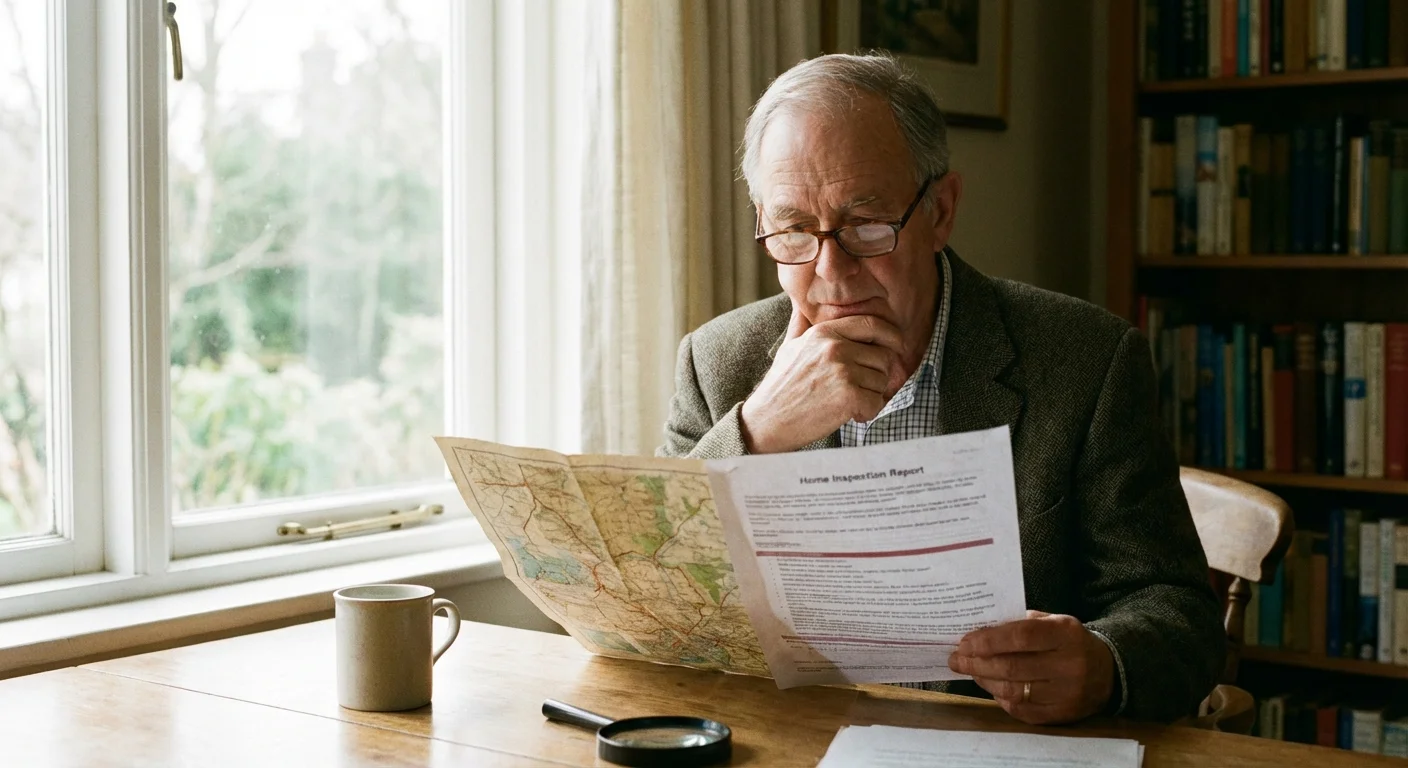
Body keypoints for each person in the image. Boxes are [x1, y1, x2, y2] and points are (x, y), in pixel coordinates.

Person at [656, 53, 1225, 725]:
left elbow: (1178, 613)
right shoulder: (718, 362)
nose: (831, 273)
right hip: (792, 741)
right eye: (795, 230)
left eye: (866, 224)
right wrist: (755, 433)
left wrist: (1101, 664)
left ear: (941, 210)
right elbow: (659, 596)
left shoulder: (1086, 361)